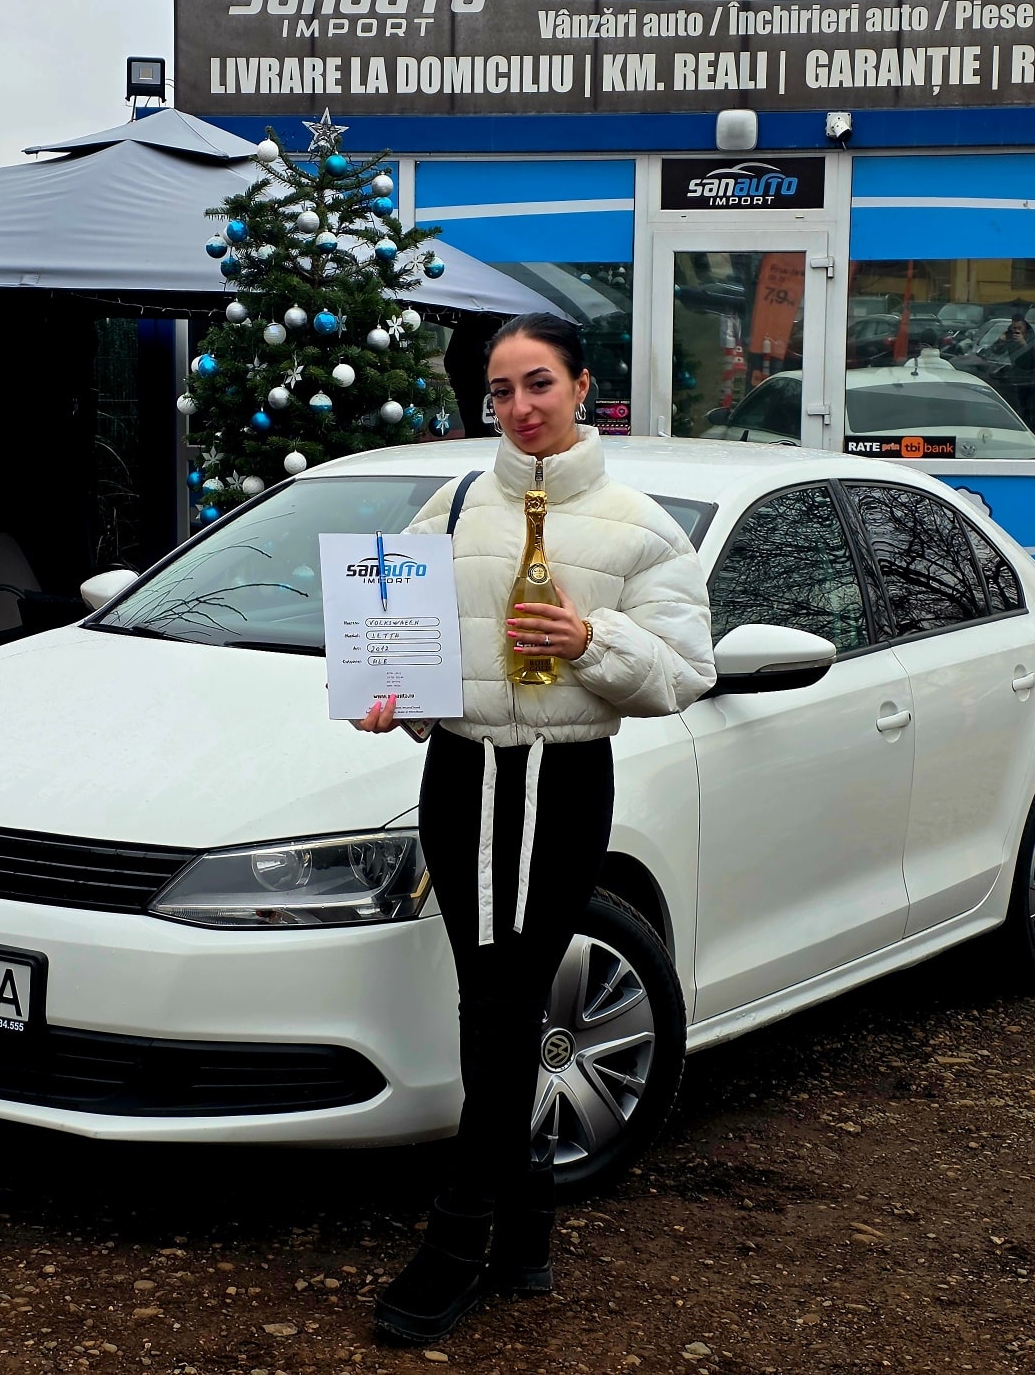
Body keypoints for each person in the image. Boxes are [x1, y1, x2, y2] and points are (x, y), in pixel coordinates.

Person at [355, 312, 716, 1345]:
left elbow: (686, 672)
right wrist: (392, 699)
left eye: (538, 384)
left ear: (582, 386)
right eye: (501, 390)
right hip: (461, 775)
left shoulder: (640, 525)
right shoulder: (455, 505)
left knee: (506, 1006)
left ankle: (459, 1234)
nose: (519, 407)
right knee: (489, 1001)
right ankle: (523, 1230)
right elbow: (404, 642)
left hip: (560, 779)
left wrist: (589, 637)